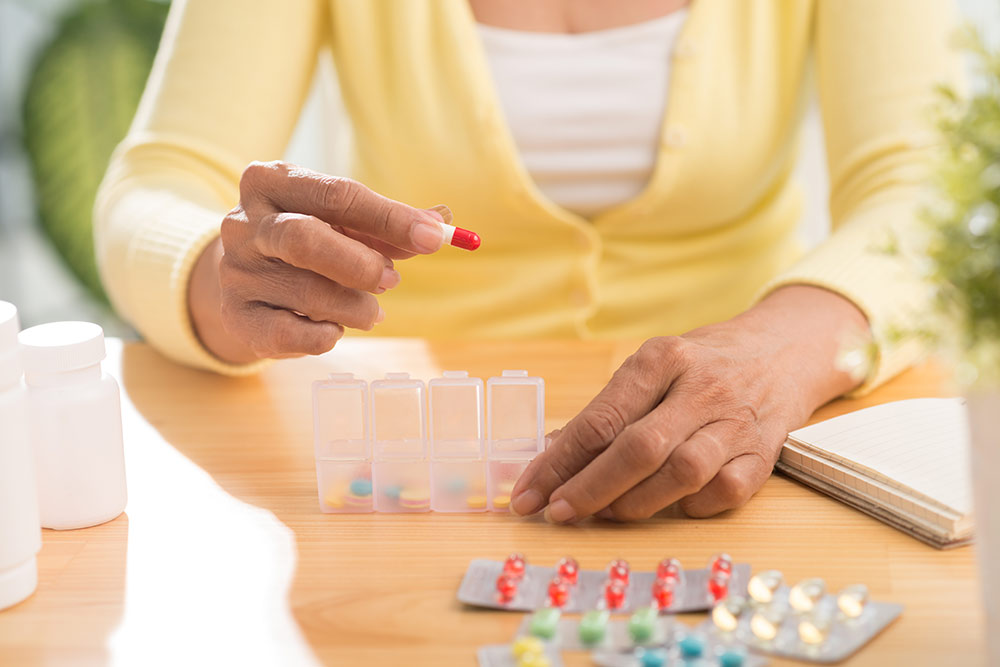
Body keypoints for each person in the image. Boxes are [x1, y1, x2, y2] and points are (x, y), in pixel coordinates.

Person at [94, 0, 959, 523]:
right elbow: (153, 184)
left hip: (753, 451)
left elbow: (929, 185)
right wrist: (220, 276)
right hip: (430, 477)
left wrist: (781, 349)